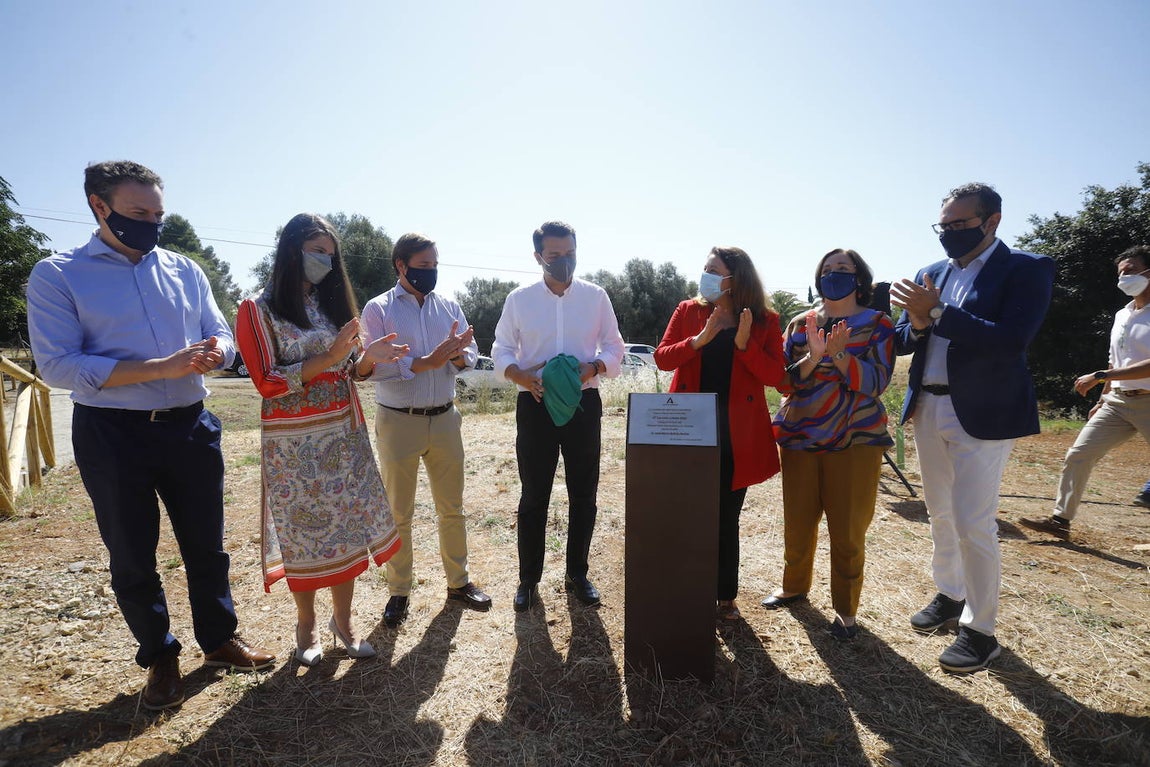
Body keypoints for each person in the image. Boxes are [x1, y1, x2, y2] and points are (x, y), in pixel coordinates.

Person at [26, 161, 275, 711]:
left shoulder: (184, 270)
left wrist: (217, 352)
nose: (152, 223)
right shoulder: (57, 275)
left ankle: (218, 640)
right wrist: (159, 366)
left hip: (191, 426)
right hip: (113, 434)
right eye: (139, 213)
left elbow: (220, 334)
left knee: (207, 546)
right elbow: (60, 367)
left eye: (158, 213)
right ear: (99, 205)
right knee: (133, 553)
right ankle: (160, 655)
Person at [889, 182, 1055, 674]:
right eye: (944, 225)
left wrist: (936, 312)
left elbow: (1010, 340)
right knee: (939, 511)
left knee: (972, 521)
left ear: (992, 221)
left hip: (983, 414)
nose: (949, 234)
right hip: (929, 407)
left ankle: (981, 630)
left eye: (960, 224)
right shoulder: (930, 273)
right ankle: (949, 591)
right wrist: (918, 321)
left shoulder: (1026, 268)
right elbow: (903, 339)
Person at [235, 213, 406, 666]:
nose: (325, 262)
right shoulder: (258, 309)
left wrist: (367, 358)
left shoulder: (332, 307)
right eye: (317, 251)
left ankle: (344, 622)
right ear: (292, 251)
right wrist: (329, 356)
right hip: (295, 447)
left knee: (347, 531)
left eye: (331, 254)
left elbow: (348, 372)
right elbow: (267, 380)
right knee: (304, 536)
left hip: (343, 436)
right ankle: (306, 625)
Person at [358, 232, 492, 628]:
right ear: (401, 266)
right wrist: (427, 361)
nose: (431, 272)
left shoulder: (449, 305)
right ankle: (399, 592)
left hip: (446, 418)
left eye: (434, 265)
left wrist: (460, 355)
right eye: (423, 266)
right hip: (398, 420)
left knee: (452, 507)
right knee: (399, 512)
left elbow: (469, 353)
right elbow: (372, 367)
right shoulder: (377, 309)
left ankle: (459, 583)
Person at [491, 221, 625, 612]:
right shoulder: (519, 300)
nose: (563, 261)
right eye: (554, 256)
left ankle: (577, 574)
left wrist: (595, 367)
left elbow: (615, 346)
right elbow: (501, 348)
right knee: (534, 496)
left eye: (570, 254)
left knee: (584, 494)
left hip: (584, 405)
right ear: (538, 257)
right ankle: (528, 580)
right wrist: (519, 375)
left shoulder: (595, 297)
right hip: (535, 405)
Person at [763, 249, 895, 640]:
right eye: (827, 269)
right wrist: (812, 358)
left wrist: (838, 356)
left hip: (855, 439)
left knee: (848, 527)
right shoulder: (799, 324)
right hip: (801, 435)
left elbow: (875, 383)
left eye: (843, 269)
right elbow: (787, 381)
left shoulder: (878, 325)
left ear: (860, 278)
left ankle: (846, 609)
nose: (833, 275)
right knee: (798, 520)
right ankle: (793, 586)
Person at [654, 246, 785, 621]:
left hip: (735, 436)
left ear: (735, 277)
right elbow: (663, 358)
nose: (706, 275)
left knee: (727, 516)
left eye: (714, 269)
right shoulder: (689, 311)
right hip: (687, 430)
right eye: (705, 268)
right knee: (687, 511)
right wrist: (699, 340)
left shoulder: (765, 320)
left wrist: (744, 346)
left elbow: (778, 379)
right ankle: (686, 587)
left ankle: (725, 596)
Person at [1020, 246, 1150, 538]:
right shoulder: (1123, 314)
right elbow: (1116, 358)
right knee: (1079, 455)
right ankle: (1060, 521)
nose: (1124, 278)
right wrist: (1104, 395)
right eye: (1120, 273)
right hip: (1117, 402)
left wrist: (1100, 376)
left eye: (1130, 271)